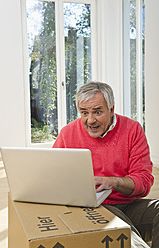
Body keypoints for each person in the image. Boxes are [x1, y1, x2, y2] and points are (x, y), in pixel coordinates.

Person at [53, 81, 159, 247]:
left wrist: (113, 182)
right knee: (128, 238)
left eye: (97, 112)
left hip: (130, 203)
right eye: (84, 112)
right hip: (97, 208)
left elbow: (144, 182)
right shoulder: (68, 133)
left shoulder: (133, 129)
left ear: (111, 110)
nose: (90, 120)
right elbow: (53, 175)